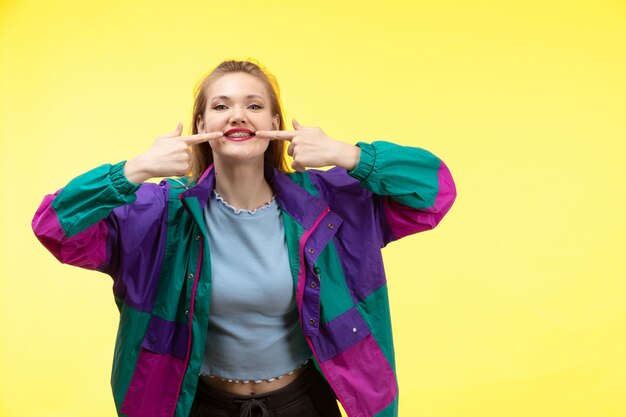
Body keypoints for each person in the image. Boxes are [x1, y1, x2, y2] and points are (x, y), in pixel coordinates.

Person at [31, 59, 457, 417]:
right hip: (199, 405)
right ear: (201, 123)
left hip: (303, 403)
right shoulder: (157, 212)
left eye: (254, 105)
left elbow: (434, 193)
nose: (238, 115)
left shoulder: (330, 204)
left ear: (275, 122)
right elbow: (55, 227)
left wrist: (347, 154)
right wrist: (134, 170)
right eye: (221, 105)